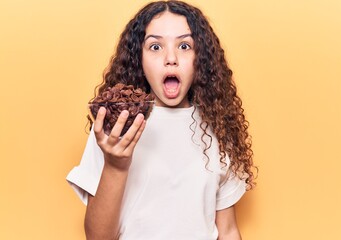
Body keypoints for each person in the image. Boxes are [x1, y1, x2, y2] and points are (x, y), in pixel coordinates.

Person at [67, 1, 256, 239]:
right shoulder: (114, 128)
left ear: (202, 58)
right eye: (155, 47)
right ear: (139, 58)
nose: (171, 58)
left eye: (185, 45)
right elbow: (98, 237)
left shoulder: (218, 127)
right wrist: (116, 165)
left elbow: (227, 231)